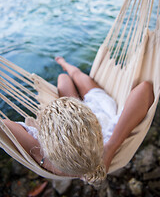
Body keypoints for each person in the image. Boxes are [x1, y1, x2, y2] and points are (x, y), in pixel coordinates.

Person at [2, 57, 154, 187]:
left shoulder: (45, 151)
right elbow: (146, 88)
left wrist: (47, 163)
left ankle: (63, 65)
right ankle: (64, 63)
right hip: (100, 107)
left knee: (64, 79)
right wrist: (111, 147)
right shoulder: (109, 135)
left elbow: (5, 127)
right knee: (70, 75)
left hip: (77, 124)